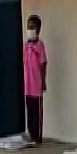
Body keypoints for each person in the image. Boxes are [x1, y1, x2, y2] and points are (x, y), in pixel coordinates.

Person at [23, 15, 47, 143]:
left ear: (38, 29)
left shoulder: (40, 45)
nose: (30, 29)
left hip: (36, 84)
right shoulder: (26, 45)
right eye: (28, 27)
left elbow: (43, 63)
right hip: (27, 85)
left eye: (32, 27)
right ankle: (31, 133)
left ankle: (38, 136)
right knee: (30, 110)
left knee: (37, 111)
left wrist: (43, 81)